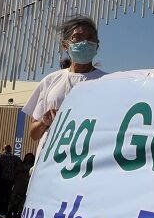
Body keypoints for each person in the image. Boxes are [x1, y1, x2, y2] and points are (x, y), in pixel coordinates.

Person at [24, 16, 109, 146]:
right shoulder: (50, 81)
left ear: (97, 45)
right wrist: (43, 123)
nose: (85, 42)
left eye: (90, 38)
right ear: (65, 45)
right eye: (78, 37)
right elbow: (33, 134)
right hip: (51, 162)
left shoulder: (108, 82)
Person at [0, 144, 21, 218]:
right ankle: (4, 213)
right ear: (11, 150)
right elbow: (19, 167)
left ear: (3, 149)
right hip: (10, 180)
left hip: (0, 179)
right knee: (7, 197)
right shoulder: (15, 158)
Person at [8, 152, 35, 217]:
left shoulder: (33, 166)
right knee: (14, 199)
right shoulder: (21, 164)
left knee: (23, 200)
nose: (29, 158)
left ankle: (20, 213)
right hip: (19, 183)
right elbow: (16, 172)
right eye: (28, 157)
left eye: (30, 157)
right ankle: (10, 212)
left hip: (27, 184)